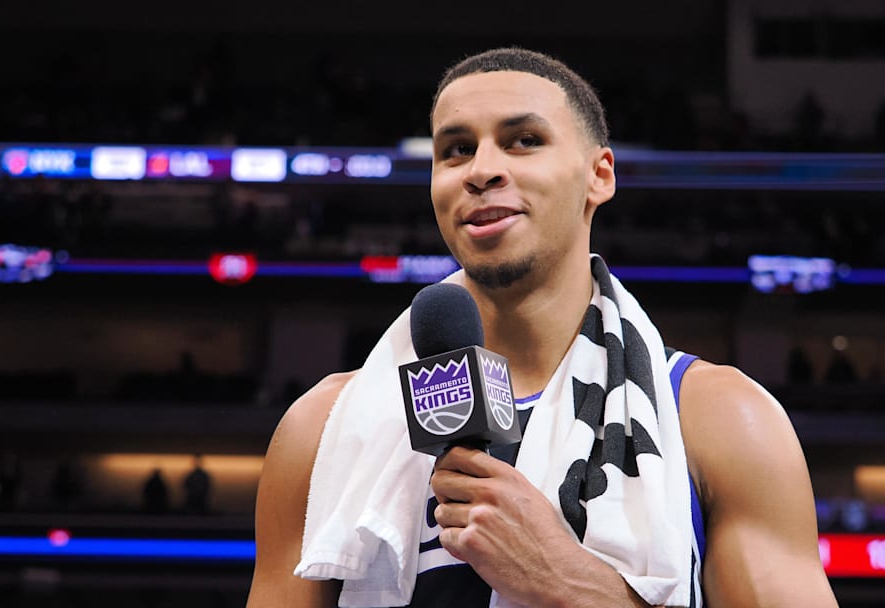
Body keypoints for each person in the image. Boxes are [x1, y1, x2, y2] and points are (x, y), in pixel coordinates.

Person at [248, 48, 837, 608]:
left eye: (524, 141)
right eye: (455, 150)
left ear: (598, 175)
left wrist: (573, 584)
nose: (481, 170)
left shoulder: (720, 419)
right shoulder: (320, 429)